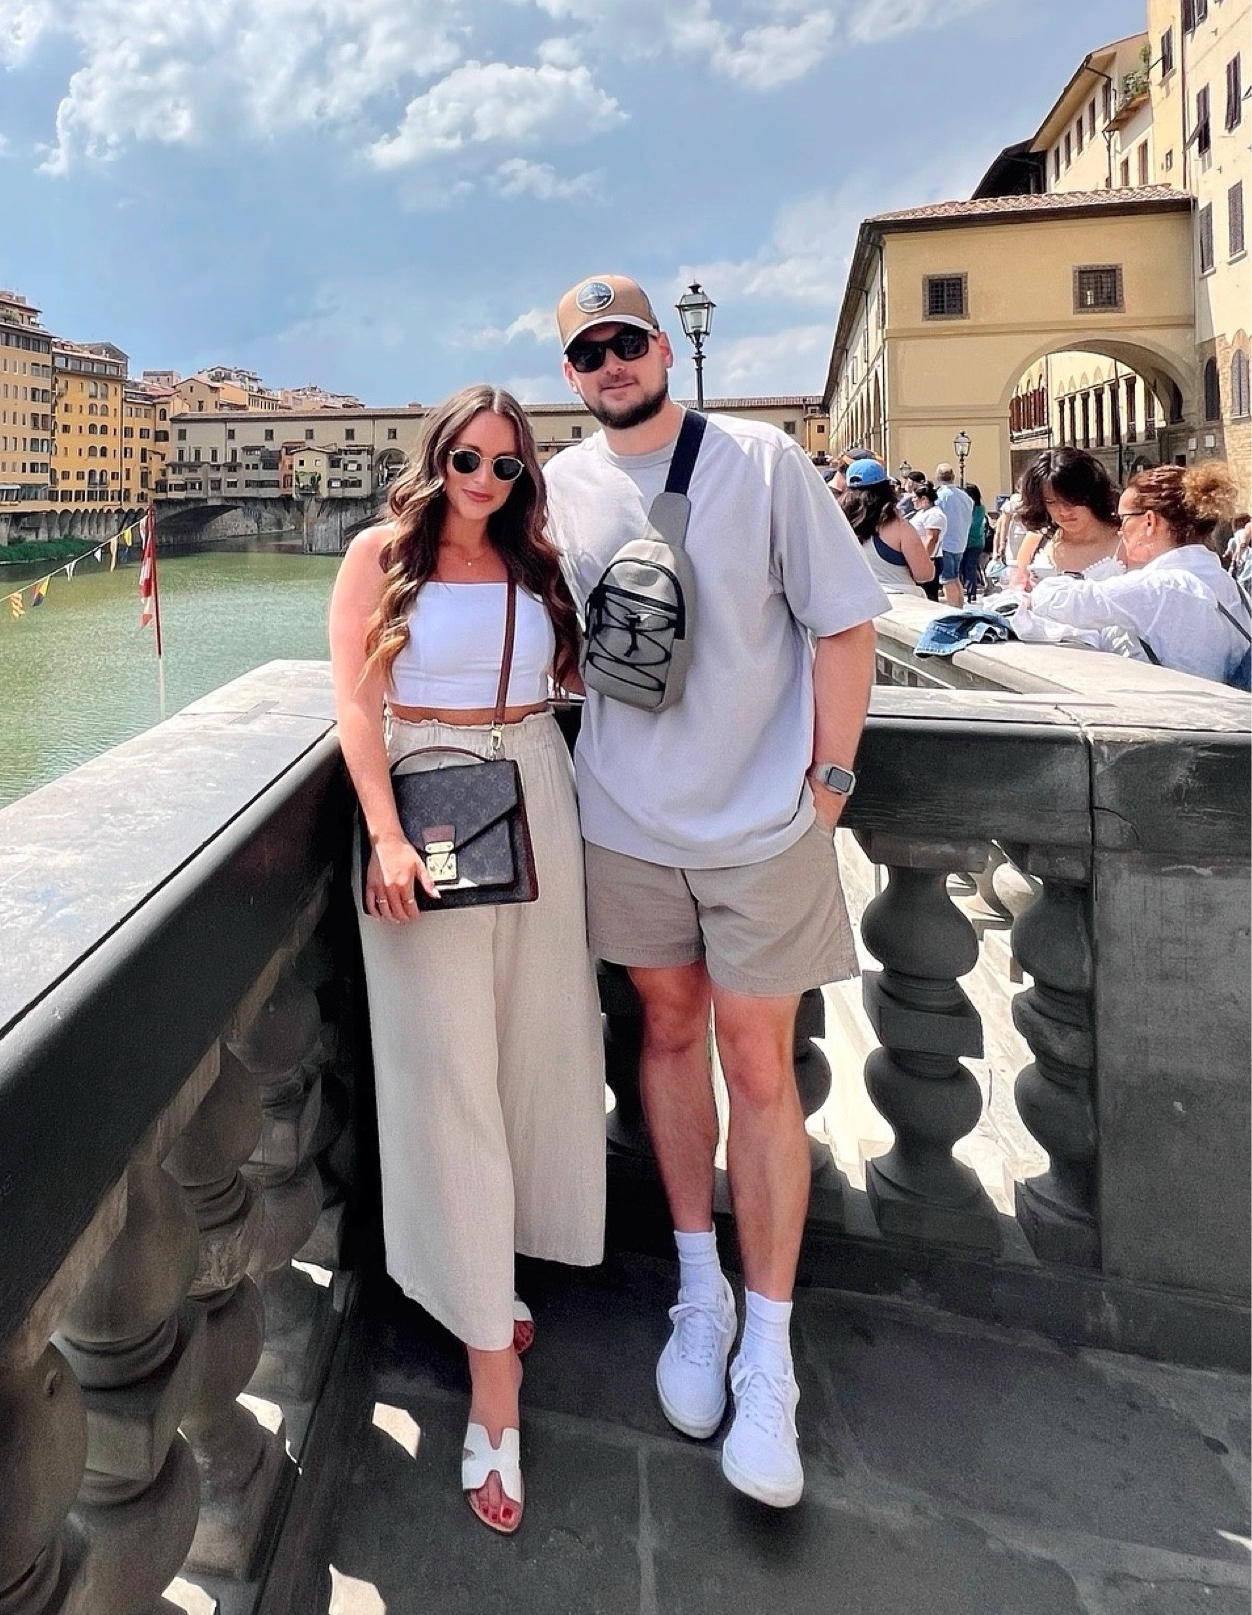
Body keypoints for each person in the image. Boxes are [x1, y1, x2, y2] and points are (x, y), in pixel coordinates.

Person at [544, 275, 887, 1510]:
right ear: (572, 373)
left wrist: (829, 784)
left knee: (760, 1066)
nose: (612, 361)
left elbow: (845, 623)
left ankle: (771, 1348)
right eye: (587, 351)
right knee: (668, 1035)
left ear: (663, 350)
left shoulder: (760, 460)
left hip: (760, 828)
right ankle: (701, 1288)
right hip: (625, 826)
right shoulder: (564, 484)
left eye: (626, 339)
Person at [328, 384, 607, 1535]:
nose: (483, 480)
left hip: (537, 785)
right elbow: (354, 702)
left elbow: (582, 684)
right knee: (444, 1073)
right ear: (434, 456)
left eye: (503, 465)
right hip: (429, 804)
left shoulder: (539, 562)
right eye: (465, 459)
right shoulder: (376, 554)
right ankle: (493, 1374)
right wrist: (385, 833)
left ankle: (495, 1261)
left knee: (541, 1048)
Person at [1026, 463, 1249, 685]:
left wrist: (1046, 586)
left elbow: (1061, 601)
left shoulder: (1161, 586)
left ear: (1149, 522)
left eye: (1123, 519)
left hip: (1170, 715)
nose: (1121, 530)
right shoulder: (1229, 585)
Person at [1007, 447, 1122, 585]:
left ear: (1093, 494)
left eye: (1072, 500)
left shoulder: (1127, 540)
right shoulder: (1037, 542)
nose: (1063, 511)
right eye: (1051, 502)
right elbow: (1016, 592)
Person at [839, 458, 937, 597]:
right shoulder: (899, 526)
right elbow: (924, 574)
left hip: (854, 602)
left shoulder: (838, 524)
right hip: (899, 601)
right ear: (886, 489)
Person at [932, 462, 974, 607]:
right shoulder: (965, 497)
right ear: (953, 477)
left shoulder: (939, 496)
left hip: (945, 542)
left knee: (947, 579)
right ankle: (959, 607)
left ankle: (951, 609)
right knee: (955, 578)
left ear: (937, 477)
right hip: (960, 541)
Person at [960, 483, 989, 600]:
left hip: (969, 542)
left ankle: (970, 592)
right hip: (977, 542)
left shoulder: (970, 508)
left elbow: (973, 526)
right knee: (969, 567)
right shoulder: (981, 508)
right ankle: (970, 592)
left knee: (968, 567)